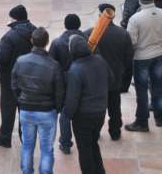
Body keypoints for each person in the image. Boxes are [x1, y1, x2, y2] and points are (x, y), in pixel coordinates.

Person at [12, 27, 65, 174]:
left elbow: (14, 85)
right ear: (47, 42)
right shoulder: (54, 65)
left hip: (27, 110)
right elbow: (59, 91)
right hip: (47, 111)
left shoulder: (20, 61)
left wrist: (21, 101)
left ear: (31, 40)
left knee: (27, 146)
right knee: (46, 149)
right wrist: (57, 108)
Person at [83, 3, 134, 140]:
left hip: (95, 80)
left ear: (101, 15)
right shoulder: (123, 34)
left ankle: (95, 132)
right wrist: (125, 80)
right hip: (115, 79)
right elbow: (129, 59)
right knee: (115, 108)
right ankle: (115, 132)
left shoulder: (89, 34)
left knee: (96, 109)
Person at [65, 35, 111, 174]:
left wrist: (67, 114)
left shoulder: (75, 69)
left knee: (84, 149)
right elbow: (112, 80)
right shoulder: (100, 60)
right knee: (93, 143)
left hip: (83, 116)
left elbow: (72, 98)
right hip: (100, 112)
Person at [0, 4, 36, 148]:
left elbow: (1, 57)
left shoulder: (9, 36)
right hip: (29, 79)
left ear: (15, 19)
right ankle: (26, 138)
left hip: (10, 80)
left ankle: (5, 138)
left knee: (8, 110)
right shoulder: (35, 32)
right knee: (25, 110)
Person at [125, 0, 162, 132]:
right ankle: (159, 118)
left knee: (141, 91)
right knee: (158, 87)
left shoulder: (135, 19)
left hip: (141, 58)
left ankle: (142, 122)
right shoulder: (161, 13)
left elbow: (131, 42)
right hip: (159, 55)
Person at [49, 14, 83, 154]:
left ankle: (65, 143)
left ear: (65, 25)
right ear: (79, 24)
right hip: (83, 81)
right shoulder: (87, 40)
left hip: (64, 83)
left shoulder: (57, 43)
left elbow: (51, 64)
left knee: (65, 114)